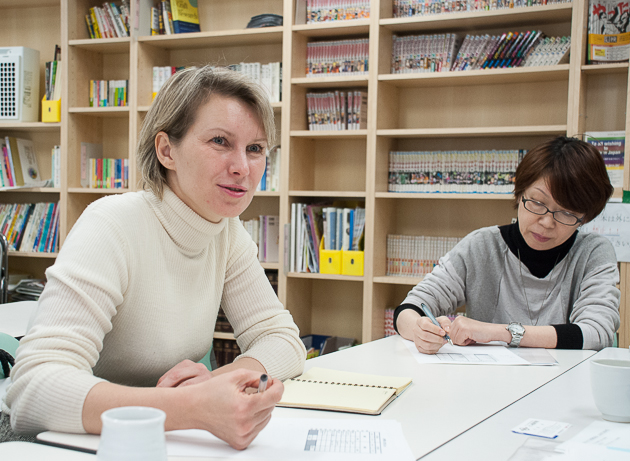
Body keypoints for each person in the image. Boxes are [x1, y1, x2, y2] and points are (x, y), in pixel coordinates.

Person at [2, 66, 306, 449]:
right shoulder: (112, 225)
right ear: (167, 151)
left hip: (169, 443)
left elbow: (281, 339)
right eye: (219, 141)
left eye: (255, 149)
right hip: (86, 448)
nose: (242, 167)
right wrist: (188, 406)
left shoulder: (227, 234)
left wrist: (216, 384)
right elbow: (32, 389)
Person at [395, 136, 620, 354]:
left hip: (564, 385)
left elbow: (597, 332)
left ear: (586, 218)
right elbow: (411, 307)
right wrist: (419, 330)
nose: (547, 222)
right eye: (537, 203)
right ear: (519, 192)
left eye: (568, 213)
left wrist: (500, 332)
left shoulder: (593, 253)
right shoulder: (482, 245)